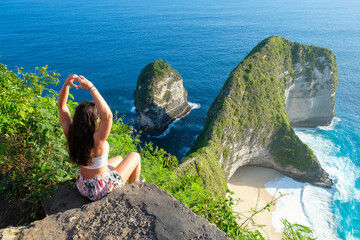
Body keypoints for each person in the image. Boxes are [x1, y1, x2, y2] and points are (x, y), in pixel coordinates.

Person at [58, 74, 141, 201]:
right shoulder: (96, 139)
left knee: (119, 158)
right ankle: (133, 192)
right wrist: (91, 87)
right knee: (135, 156)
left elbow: (62, 107)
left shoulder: (70, 133)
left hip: (84, 185)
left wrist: (65, 85)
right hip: (100, 189)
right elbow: (107, 115)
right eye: (97, 117)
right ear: (94, 120)